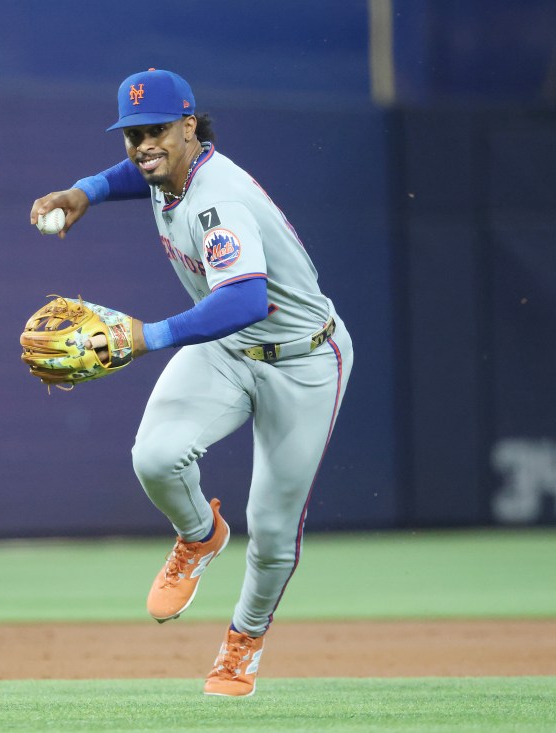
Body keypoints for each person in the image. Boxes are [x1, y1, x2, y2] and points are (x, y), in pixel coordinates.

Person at [30, 68, 353, 697]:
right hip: (229, 348)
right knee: (155, 457)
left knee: (272, 531)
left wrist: (147, 336)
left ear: (188, 126)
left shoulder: (217, 201)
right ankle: (200, 535)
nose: (144, 145)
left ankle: (243, 643)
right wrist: (85, 191)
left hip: (304, 361)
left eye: (156, 131)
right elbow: (140, 174)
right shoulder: (168, 170)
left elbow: (246, 301)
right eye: (133, 134)